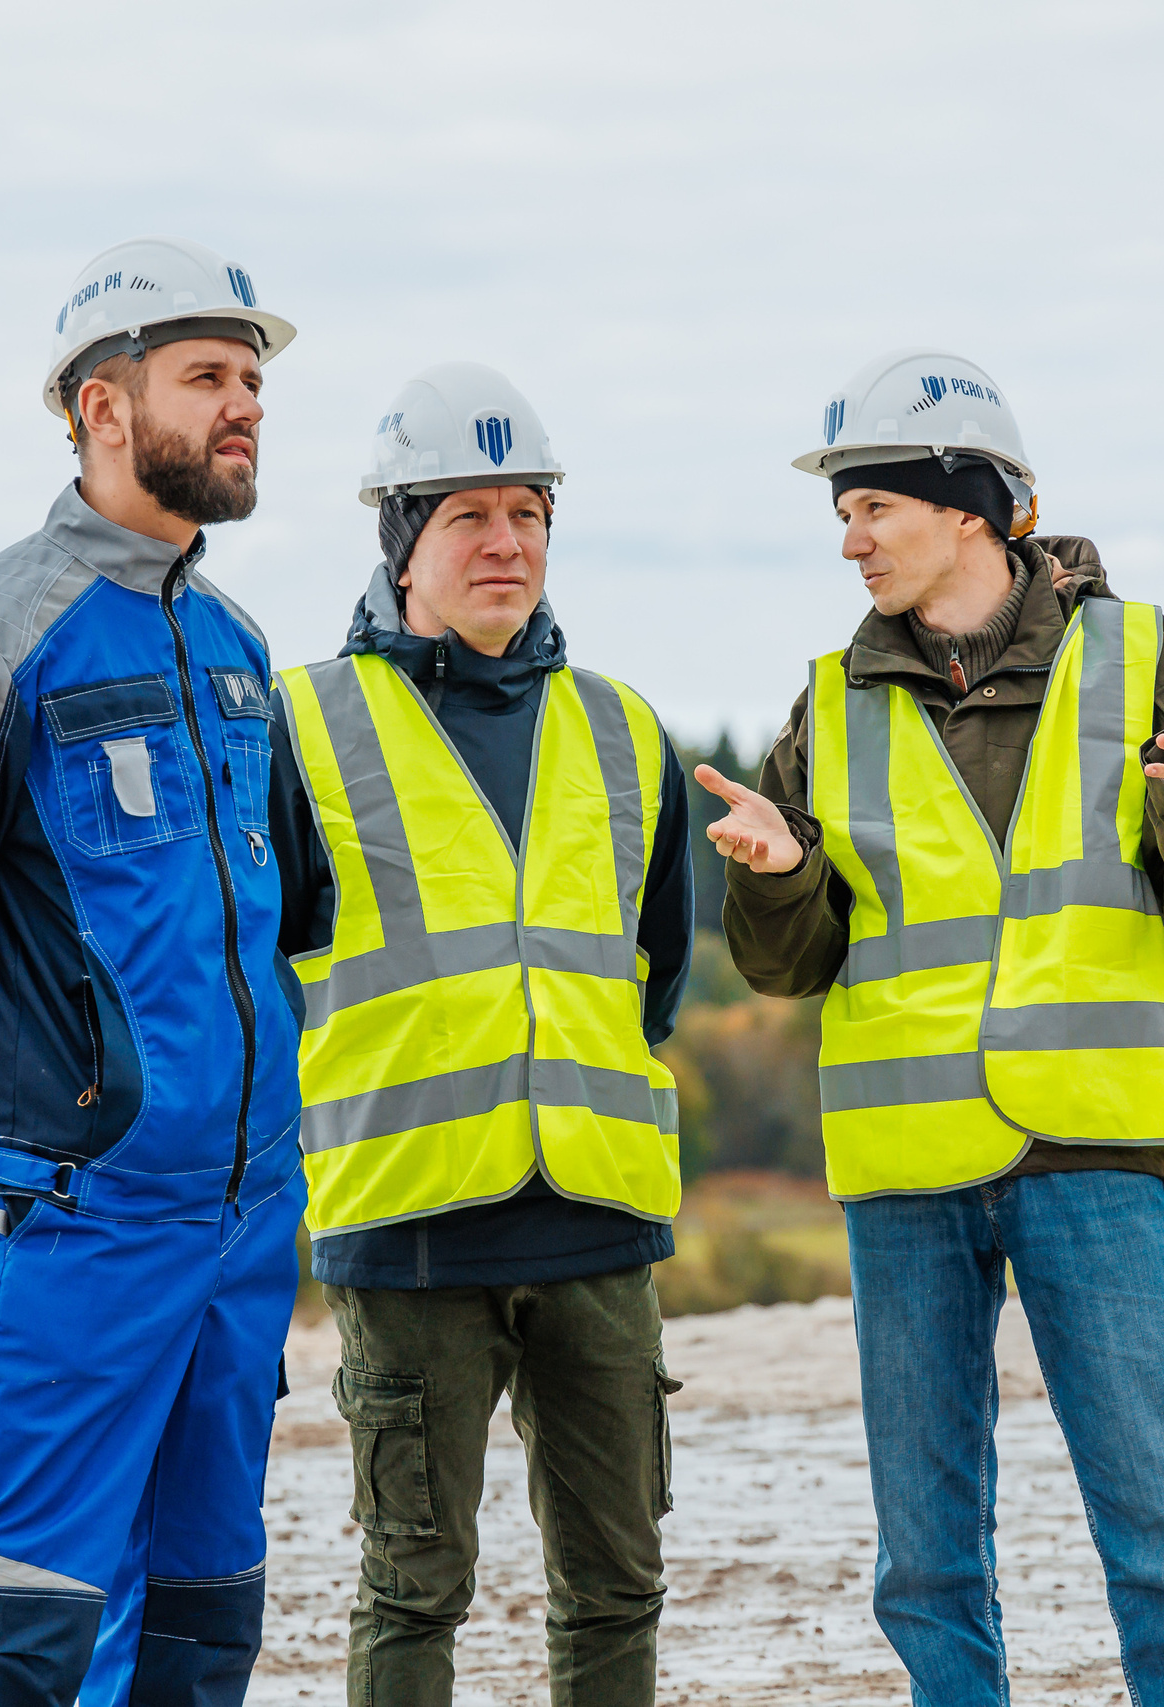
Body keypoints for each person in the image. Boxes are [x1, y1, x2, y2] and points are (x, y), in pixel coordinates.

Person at [696, 348, 1164, 1707]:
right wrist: (775, 876)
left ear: (966, 506)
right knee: (926, 1563)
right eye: (843, 515)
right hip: (906, 1178)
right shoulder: (829, 705)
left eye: (871, 509)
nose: (848, 541)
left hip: (1095, 1161)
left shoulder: (1136, 663)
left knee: (1162, 1539)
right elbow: (792, 968)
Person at [0, 236, 306, 1707]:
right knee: (11, 1625)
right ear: (103, 406)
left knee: (202, 1612)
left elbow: (272, 940)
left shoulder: (232, 644)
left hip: (239, 1222)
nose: (247, 408)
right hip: (75, 1217)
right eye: (210, 379)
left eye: (255, 383)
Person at [266, 362, 693, 1707]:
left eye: (529, 511)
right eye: (468, 515)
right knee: (411, 1591)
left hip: (597, 1227)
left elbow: (656, 973)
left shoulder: (628, 732)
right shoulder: (304, 725)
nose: (507, 543)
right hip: (410, 1230)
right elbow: (259, 973)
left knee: (618, 1592)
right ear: (401, 540)